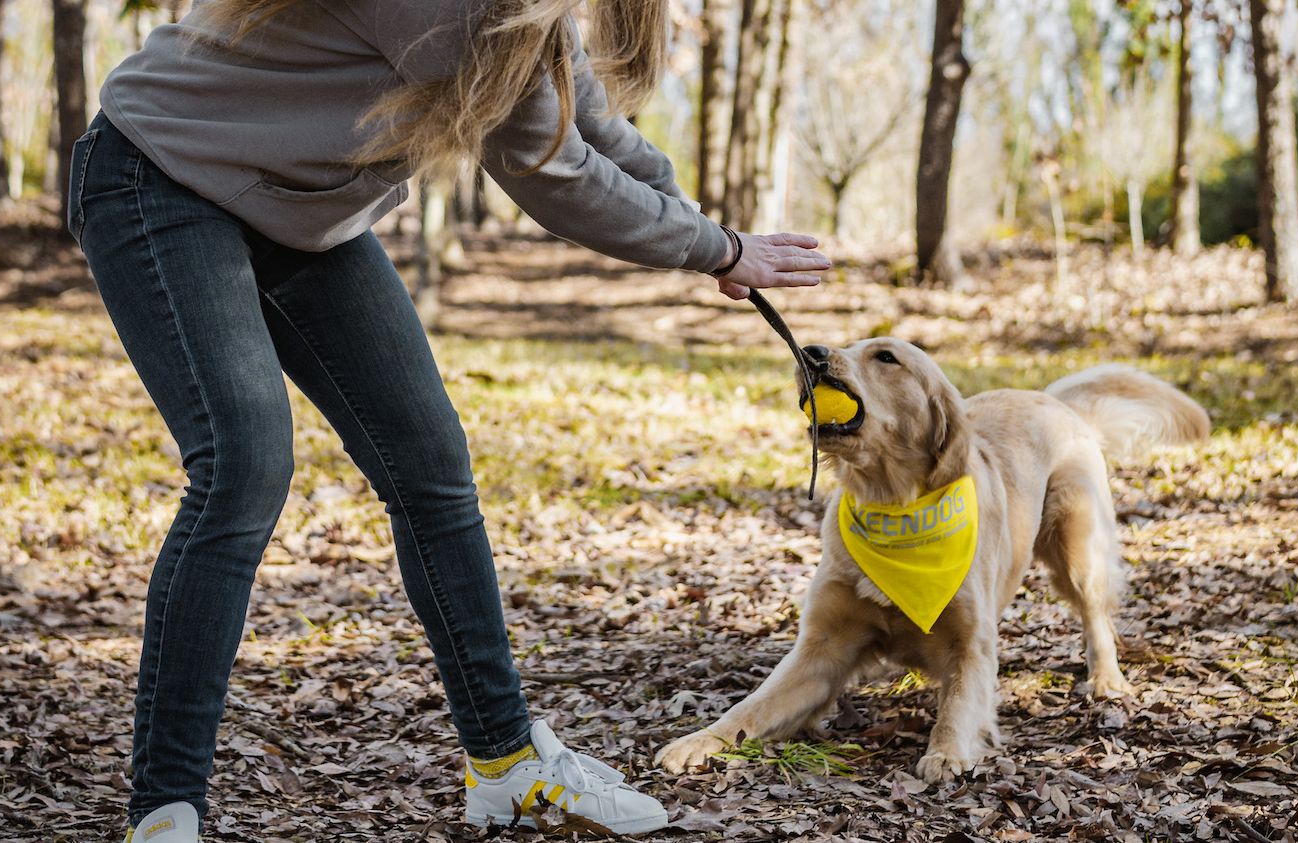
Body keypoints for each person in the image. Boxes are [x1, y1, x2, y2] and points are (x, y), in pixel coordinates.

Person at [68, 0, 831, 839]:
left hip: (297, 208)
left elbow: (595, 131)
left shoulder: (532, 15)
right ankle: (165, 808)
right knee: (244, 464)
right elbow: (550, 169)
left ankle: (504, 762)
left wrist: (706, 234)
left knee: (430, 464)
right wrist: (712, 245)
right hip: (162, 172)